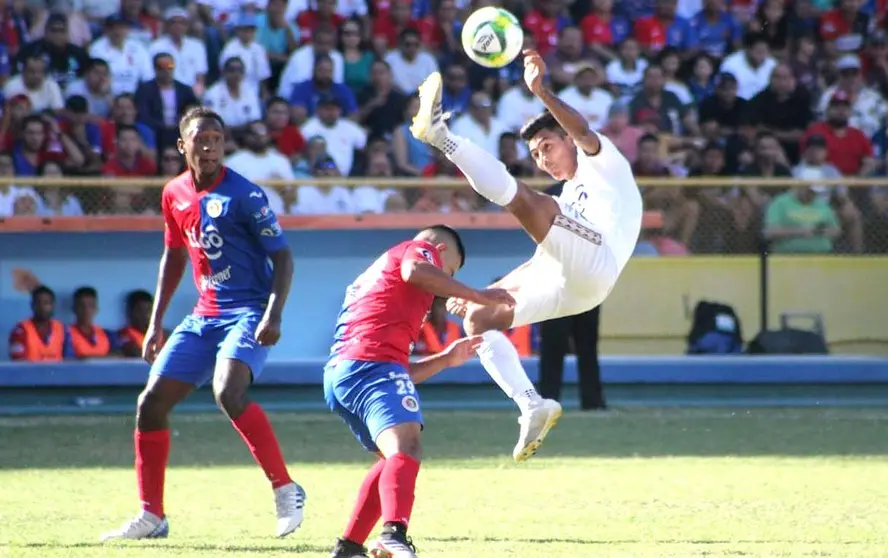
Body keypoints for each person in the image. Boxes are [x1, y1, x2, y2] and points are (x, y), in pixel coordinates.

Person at [409, 49, 643, 462]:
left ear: (568, 140)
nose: (543, 158)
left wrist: (541, 91)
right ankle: (532, 405)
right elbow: (542, 263)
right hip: (573, 288)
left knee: (530, 203)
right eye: (535, 154)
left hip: (599, 264)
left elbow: (583, 129)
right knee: (478, 318)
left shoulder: (604, 162)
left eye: (548, 146)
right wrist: (488, 293)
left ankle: (442, 136)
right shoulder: (568, 197)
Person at [101, 106, 305, 541]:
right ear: (183, 145)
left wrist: (273, 313)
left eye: (216, 139)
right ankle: (152, 516)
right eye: (200, 139)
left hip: (249, 310)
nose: (209, 146)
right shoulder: (174, 193)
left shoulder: (245, 195)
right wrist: (156, 323)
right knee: (150, 403)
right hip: (205, 315)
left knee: (227, 390)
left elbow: (283, 257)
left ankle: (286, 489)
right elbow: (174, 256)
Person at [324, 226, 514, 558]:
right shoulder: (416, 251)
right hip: (370, 368)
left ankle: (348, 548)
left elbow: (400, 373)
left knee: (391, 459)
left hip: (344, 374)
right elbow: (416, 270)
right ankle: (392, 534)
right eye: (449, 271)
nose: (444, 284)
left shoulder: (383, 282)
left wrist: (444, 359)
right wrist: (480, 297)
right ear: (437, 249)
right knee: (407, 446)